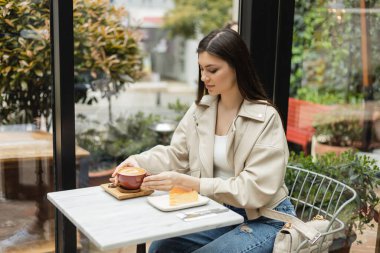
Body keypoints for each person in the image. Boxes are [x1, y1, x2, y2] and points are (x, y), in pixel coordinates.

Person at [111, 28, 295, 253]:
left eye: (212, 70)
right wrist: (138, 162)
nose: (203, 77)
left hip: (265, 218)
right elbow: (177, 154)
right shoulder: (201, 111)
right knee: (160, 248)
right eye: (201, 69)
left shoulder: (265, 118)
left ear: (237, 67)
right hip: (220, 211)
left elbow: (253, 189)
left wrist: (192, 184)